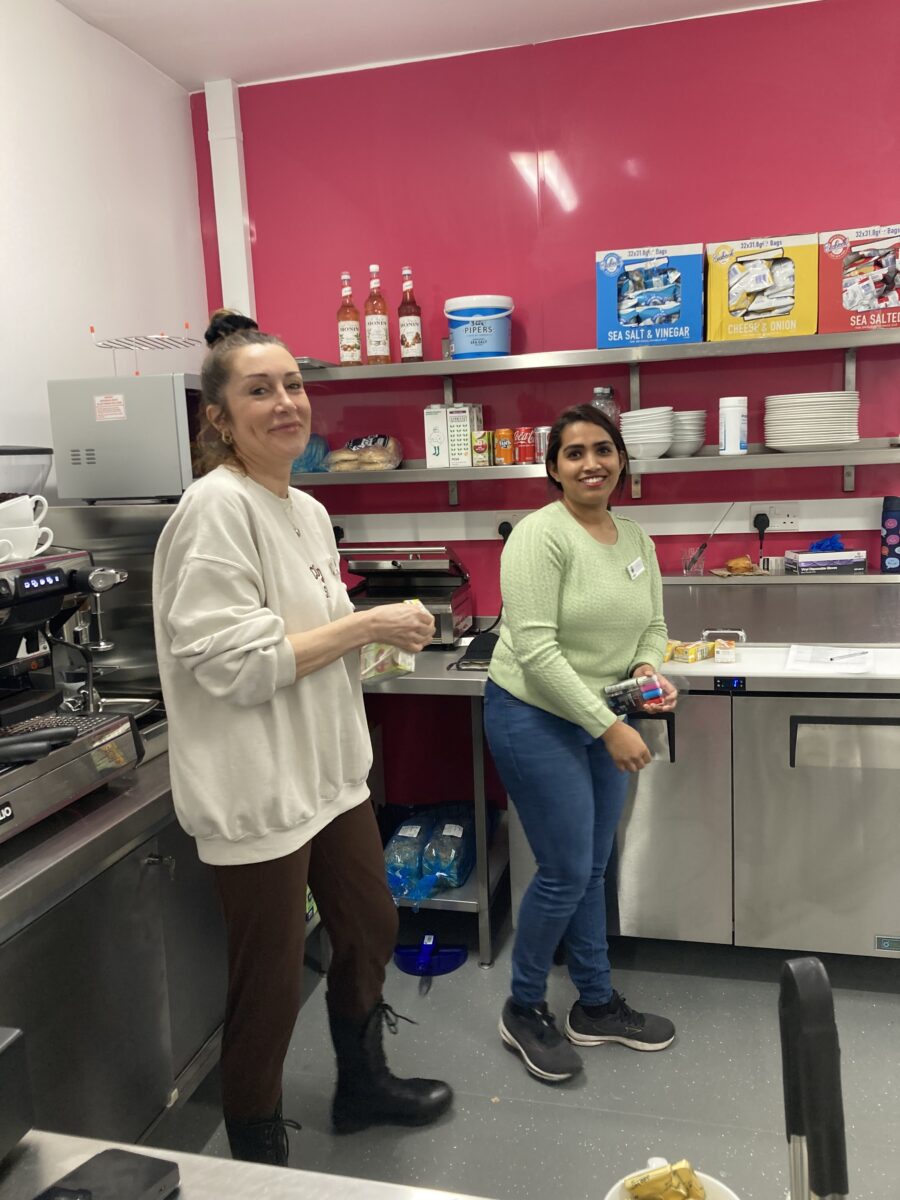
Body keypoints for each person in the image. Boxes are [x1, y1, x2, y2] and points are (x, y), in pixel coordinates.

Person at [152, 312, 453, 1166]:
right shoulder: (214, 511)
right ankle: (257, 1155)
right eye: (258, 389)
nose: (285, 402)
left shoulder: (308, 508)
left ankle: (362, 1084)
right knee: (271, 986)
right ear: (218, 417)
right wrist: (367, 628)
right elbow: (234, 666)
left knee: (370, 924)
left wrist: (368, 642)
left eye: (292, 384)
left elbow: (301, 637)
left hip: (328, 780)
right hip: (258, 793)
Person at [484, 402, 678, 1084]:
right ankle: (523, 1006)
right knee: (566, 870)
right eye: (574, 453)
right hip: (534, 715)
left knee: (591, 869)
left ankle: (594, 1005)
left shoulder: (634, 540)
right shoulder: (540, 537)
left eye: (603, 448)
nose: (591, 462)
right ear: (554, 468)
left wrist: (649, 673)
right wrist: (610, 725)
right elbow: (535, 649)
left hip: (601, 716)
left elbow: (652, 625)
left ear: (621, 458)